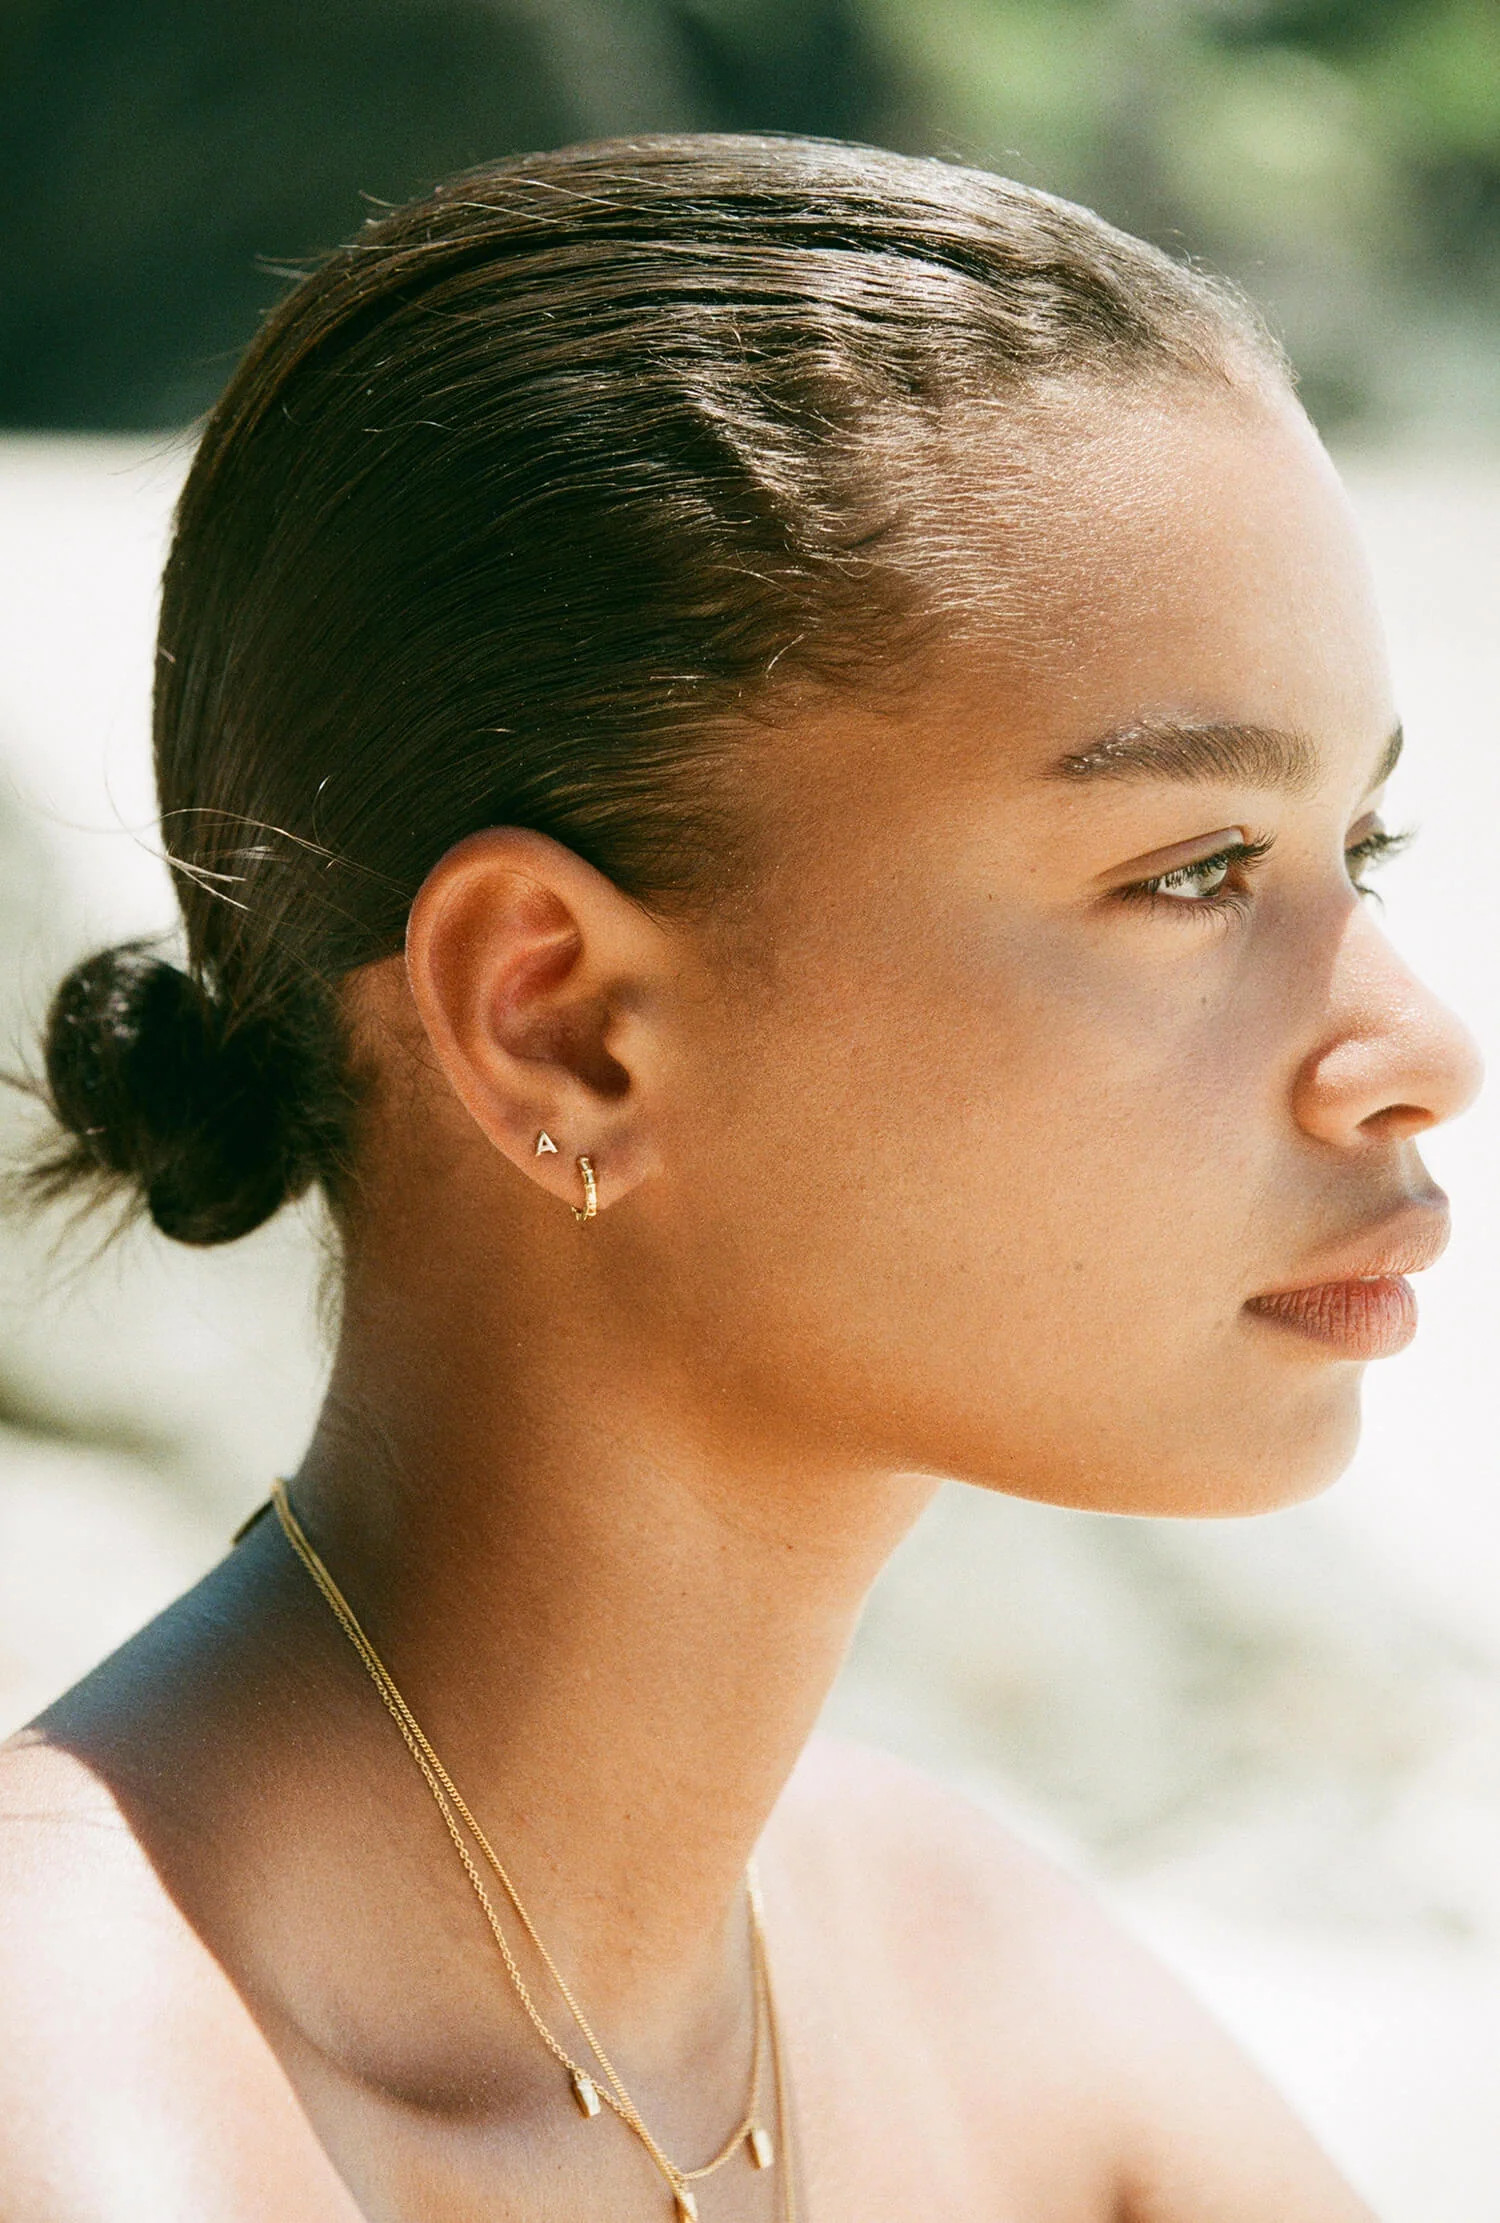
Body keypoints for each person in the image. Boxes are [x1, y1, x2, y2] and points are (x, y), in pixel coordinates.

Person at [0, 132, 1480, 2222]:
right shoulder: (88, 2104)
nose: (1421, 1049)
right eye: (1195, 871)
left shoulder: (985, 1994)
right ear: (562, 1023)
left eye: (1364, 853)